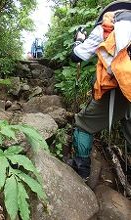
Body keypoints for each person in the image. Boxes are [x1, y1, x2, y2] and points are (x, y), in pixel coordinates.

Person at [69, 8, 131, 180]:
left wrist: (78, 42)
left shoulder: (107, 26)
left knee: (83, 124)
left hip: (121, 87)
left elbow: (77, 56)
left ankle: (82, 171)